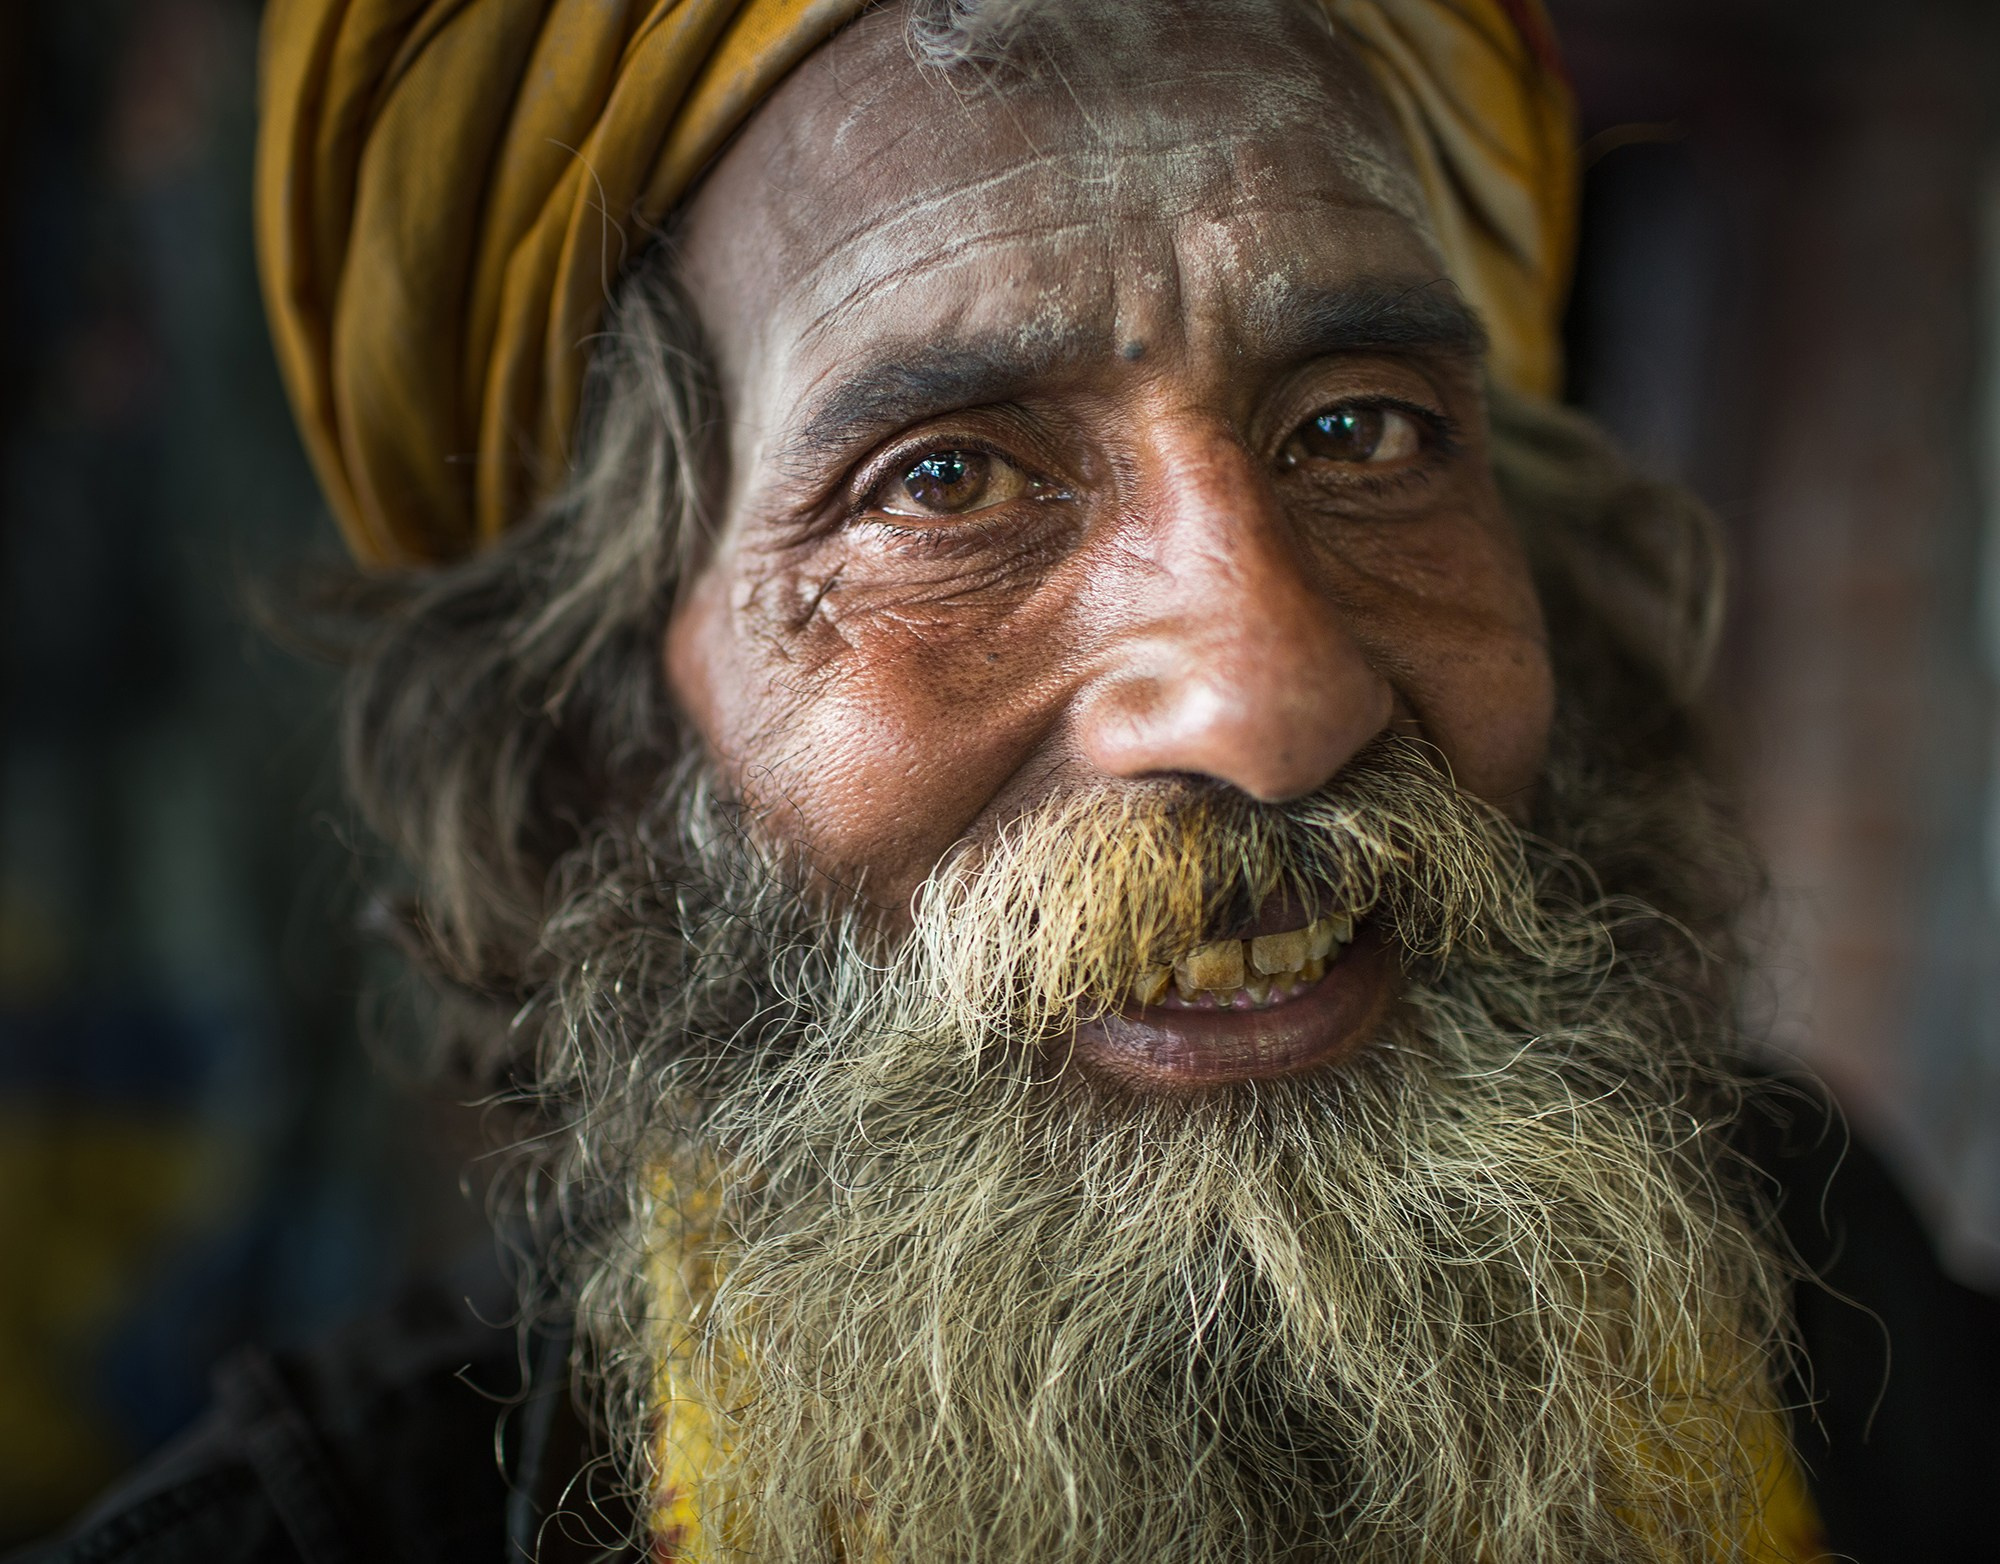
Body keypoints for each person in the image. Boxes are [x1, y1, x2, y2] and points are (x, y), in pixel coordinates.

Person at [21, 1, 2000, 1560]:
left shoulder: (1810, 1261)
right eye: (943, 479)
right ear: (603, 725)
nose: (1267, 692)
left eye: (1363, 430)